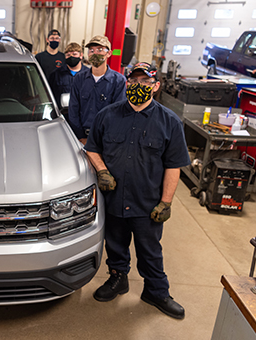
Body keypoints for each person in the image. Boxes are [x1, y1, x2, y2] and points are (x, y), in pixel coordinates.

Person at [85, 62, 190, 319]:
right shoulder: (106, 115)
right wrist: (101, 170)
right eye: (133, 81)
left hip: (147, 203)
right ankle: (118, 279)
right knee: (116, 245)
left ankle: (156, 291)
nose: (138, 86)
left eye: (145, 82)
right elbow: (92, 148)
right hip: (114, 200)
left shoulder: (170, 122)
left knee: (150, 250)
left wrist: (165, 203)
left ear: (155, 86)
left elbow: (174, 166)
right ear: (126, 83)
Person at [67, 35, 126, 144]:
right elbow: (73, 110)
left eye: (100, 49)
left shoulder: (118, 81)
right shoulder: (79, 79)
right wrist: (81, 136)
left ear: (109, 53)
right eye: (91, 50)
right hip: (80, 138)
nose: (95, 53)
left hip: (105, 139)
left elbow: (118, 114)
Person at [48, 42, 89, 108]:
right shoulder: (56, 74)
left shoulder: (88, 74)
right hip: (62, 113)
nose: (71, 57)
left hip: (82, 113)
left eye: (74, 54)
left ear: (81, 55)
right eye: (68, 55)